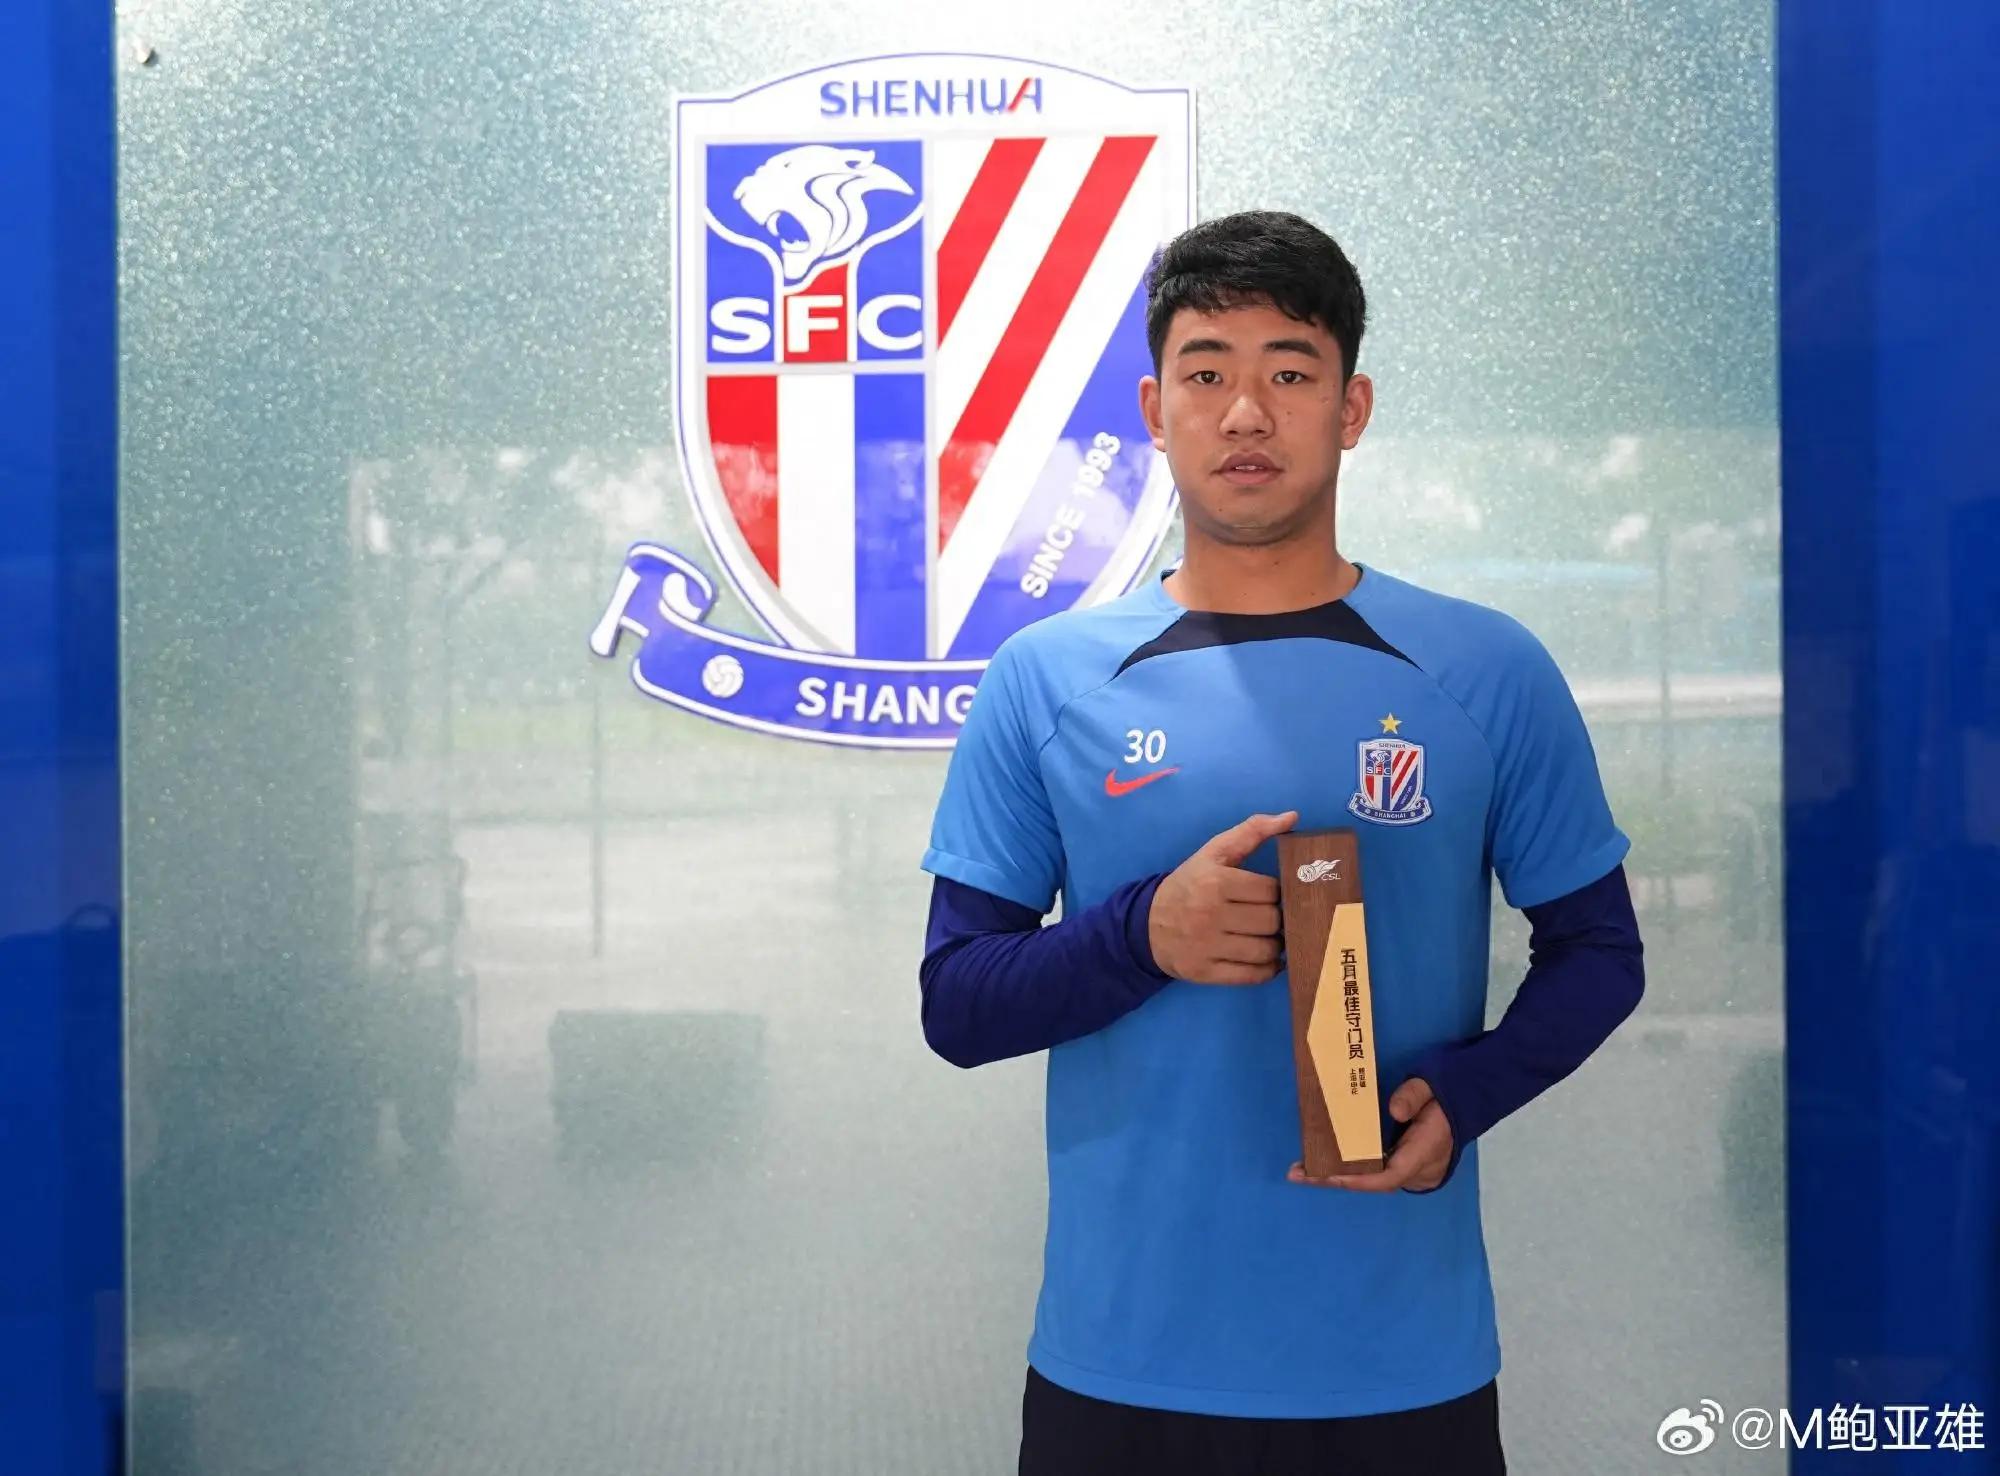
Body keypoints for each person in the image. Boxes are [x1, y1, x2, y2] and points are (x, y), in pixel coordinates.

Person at [918, 210, 1645, 1476]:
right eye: (1205, 372)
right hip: (1119, 1362)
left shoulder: (1484, 668)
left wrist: (1468, 1095)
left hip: (1398, 1362)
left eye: (1289, 372)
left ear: (1349, 408)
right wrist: (1139, 936)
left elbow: (1599, 951)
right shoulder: (1046, 679)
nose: (1245, 412)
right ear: (1153, 409)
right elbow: (957, 1006)